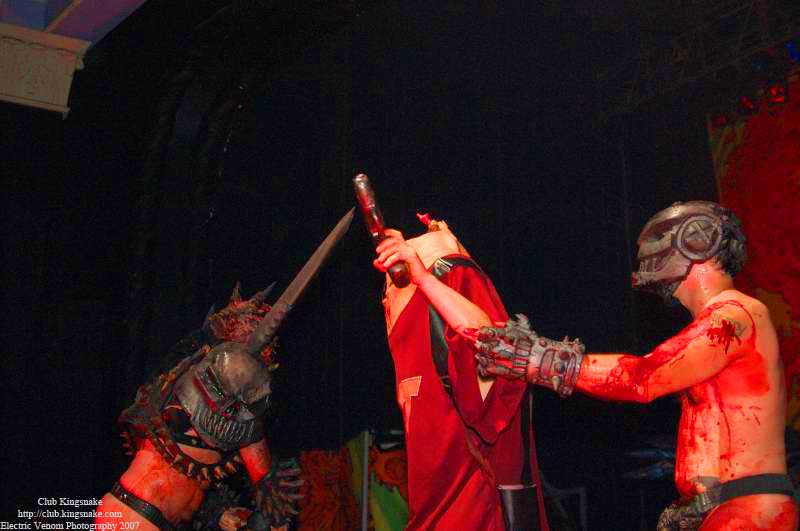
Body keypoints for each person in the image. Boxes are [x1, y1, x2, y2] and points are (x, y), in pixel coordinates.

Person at [472, 201, 798, 530]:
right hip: (727, 508)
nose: (650, 252)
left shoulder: (736, 314)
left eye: (662, 238)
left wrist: (537, 360)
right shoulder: (725, 320)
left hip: (748, 510)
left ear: (697, 241)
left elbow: (643, 378)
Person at [372, 215, 548, 531]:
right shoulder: (408, 340)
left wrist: (425, 278)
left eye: (396, 280)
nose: (387, 294)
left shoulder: (451, 291)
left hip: (476, 513)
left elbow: (492, 349)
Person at [95, 285, 302, 531]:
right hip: (138, 518)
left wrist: (219, 515)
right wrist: (274, 510)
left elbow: (190, 479)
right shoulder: (219, 380)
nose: (269, 351)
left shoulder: (189, 375)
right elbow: (264, 477)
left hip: (137, 514)